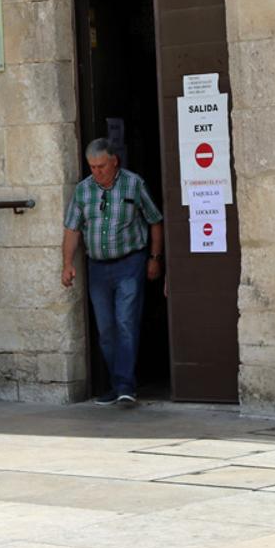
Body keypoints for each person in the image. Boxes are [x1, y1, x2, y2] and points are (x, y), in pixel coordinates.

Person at [62, 138, 164, 407]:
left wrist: (155, 257)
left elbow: (155, 220)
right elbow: (72, 229)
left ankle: (125, 387)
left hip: (130, 263)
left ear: (114, 161)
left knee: (125, 323)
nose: (97, 172)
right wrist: (67, 263)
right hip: (97, 267)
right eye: (92, 167)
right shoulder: (83, 191)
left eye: (102, 166)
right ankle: (116, 384)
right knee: (106, 329)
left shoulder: (134, 184)